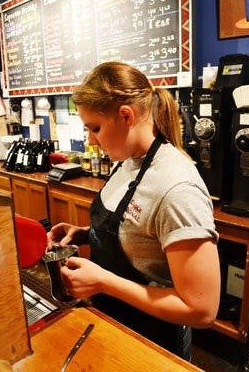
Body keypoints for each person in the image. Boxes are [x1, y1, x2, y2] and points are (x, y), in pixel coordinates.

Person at [47, 61, 220, 361]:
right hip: (112, 320)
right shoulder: (127, 160)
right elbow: (141, 233)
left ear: (126, 116)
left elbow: (201, 309)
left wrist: (103, 281)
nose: (90, 140)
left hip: (153, 341)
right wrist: (87, 234)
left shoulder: (177, 190)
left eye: (95, 128)